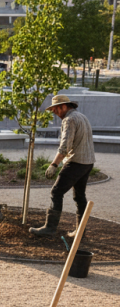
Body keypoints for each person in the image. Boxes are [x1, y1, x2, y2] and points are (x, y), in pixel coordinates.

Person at [30, 94, 95, 238]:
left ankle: (50, 228)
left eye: (55, 110)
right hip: (88, 162)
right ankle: (81, 231)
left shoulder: (69, 119)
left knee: (56, 192)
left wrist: (54, 164)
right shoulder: (82, 117)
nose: (55, 114)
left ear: (64, 106)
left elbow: (65, 146)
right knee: (79, 196)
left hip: (76, 162)